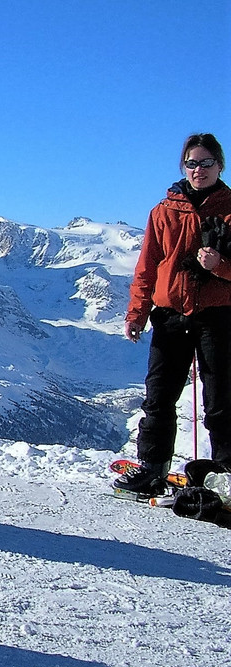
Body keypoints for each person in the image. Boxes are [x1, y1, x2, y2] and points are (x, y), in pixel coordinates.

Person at [119, 133, 231, 495]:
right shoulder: (163, 212)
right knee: (159, 395)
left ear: (220, 165)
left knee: (221, 399)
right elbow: (147, 267)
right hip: (170, 315)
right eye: (192, 163)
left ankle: (227, 471)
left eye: (206, 162)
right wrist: (137, 313)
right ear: (184, 167)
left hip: (219, 316)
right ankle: (152, 467)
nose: (199, 170)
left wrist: (220, 266)